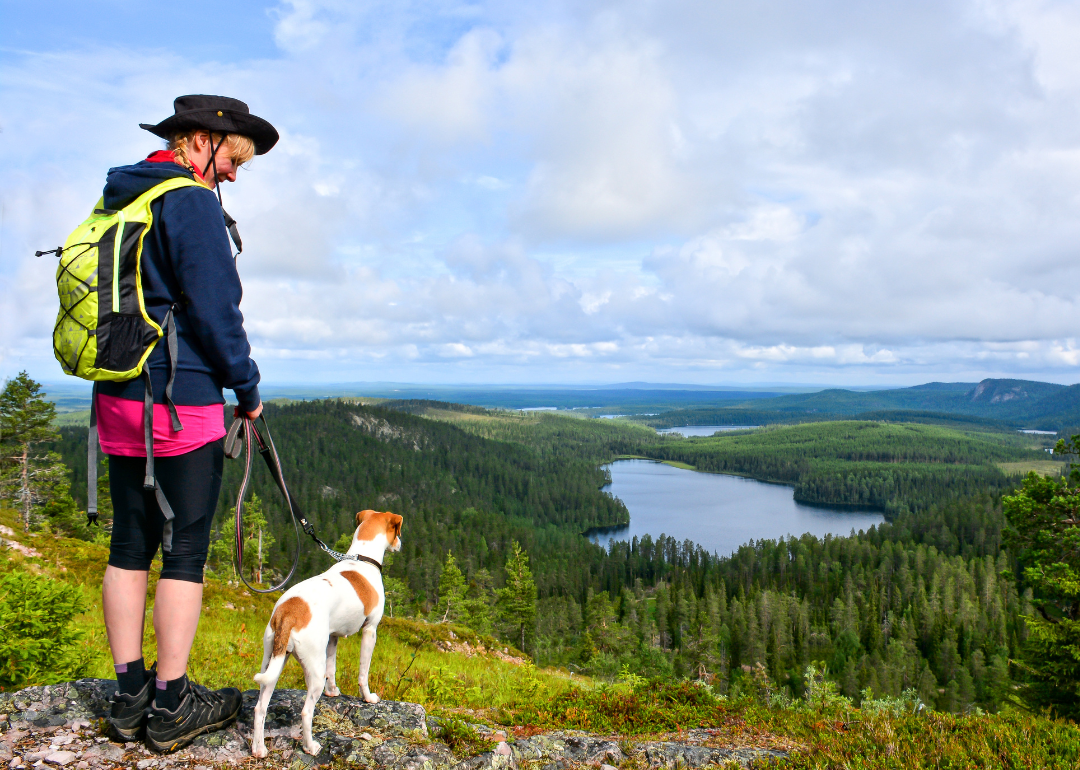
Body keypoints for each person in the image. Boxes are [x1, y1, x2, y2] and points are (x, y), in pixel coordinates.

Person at [98, 95, 278, 753]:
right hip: (182, 398)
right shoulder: (191, 201)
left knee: (128, 542)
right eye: (233, 158)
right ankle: (173, 704)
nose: (233, 174)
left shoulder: (123, 193)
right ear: (200, 141)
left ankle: (128, 697)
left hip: (116, 394)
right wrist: (248, 389)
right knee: (185, 547)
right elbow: (214, 310)